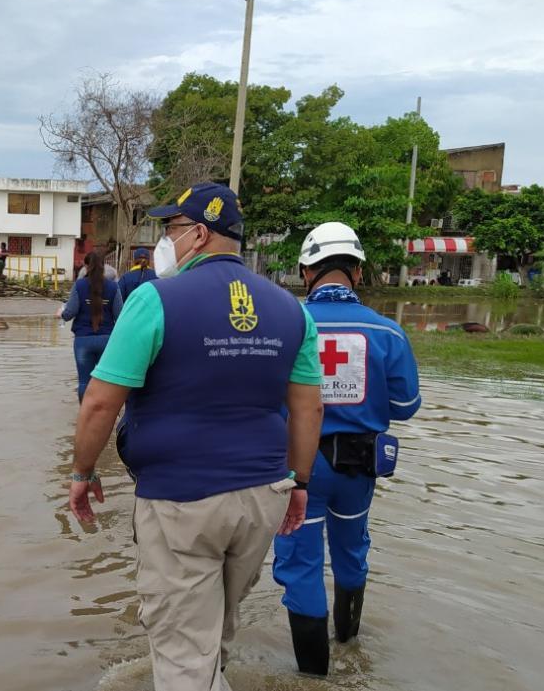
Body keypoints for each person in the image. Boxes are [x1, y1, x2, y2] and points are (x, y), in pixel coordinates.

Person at [68, 182, 324, 691]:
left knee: (184, 651)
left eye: (172, 229)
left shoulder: (154, 300)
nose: (167, 239)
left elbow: (100, 401)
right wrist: (299, 484)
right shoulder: (293, 310)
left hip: (182, 502)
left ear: (200, 234)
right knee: (214, 632)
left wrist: (82, 471)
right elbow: (308, 407)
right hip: (262, 499)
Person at [272, 221, 422, 676]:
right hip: (359, 467)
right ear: (357, 272)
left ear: (305, 270)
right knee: (352, 551)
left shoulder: (286, 324)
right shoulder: (389, 333)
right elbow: (406, 406)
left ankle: (313, 678)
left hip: (298, 467)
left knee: (300, 562)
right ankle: (349, 644)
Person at [56, 252, 122, 401]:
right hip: (107, 340)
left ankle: (85, 419)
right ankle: (105, 416)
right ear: (104, 267)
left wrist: (61, 313)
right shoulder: (113, 287)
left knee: (84, 382)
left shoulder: (79, 285)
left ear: (86, 267)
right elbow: (120, 316)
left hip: (83, 340)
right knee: (105, 382)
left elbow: (70, 312)